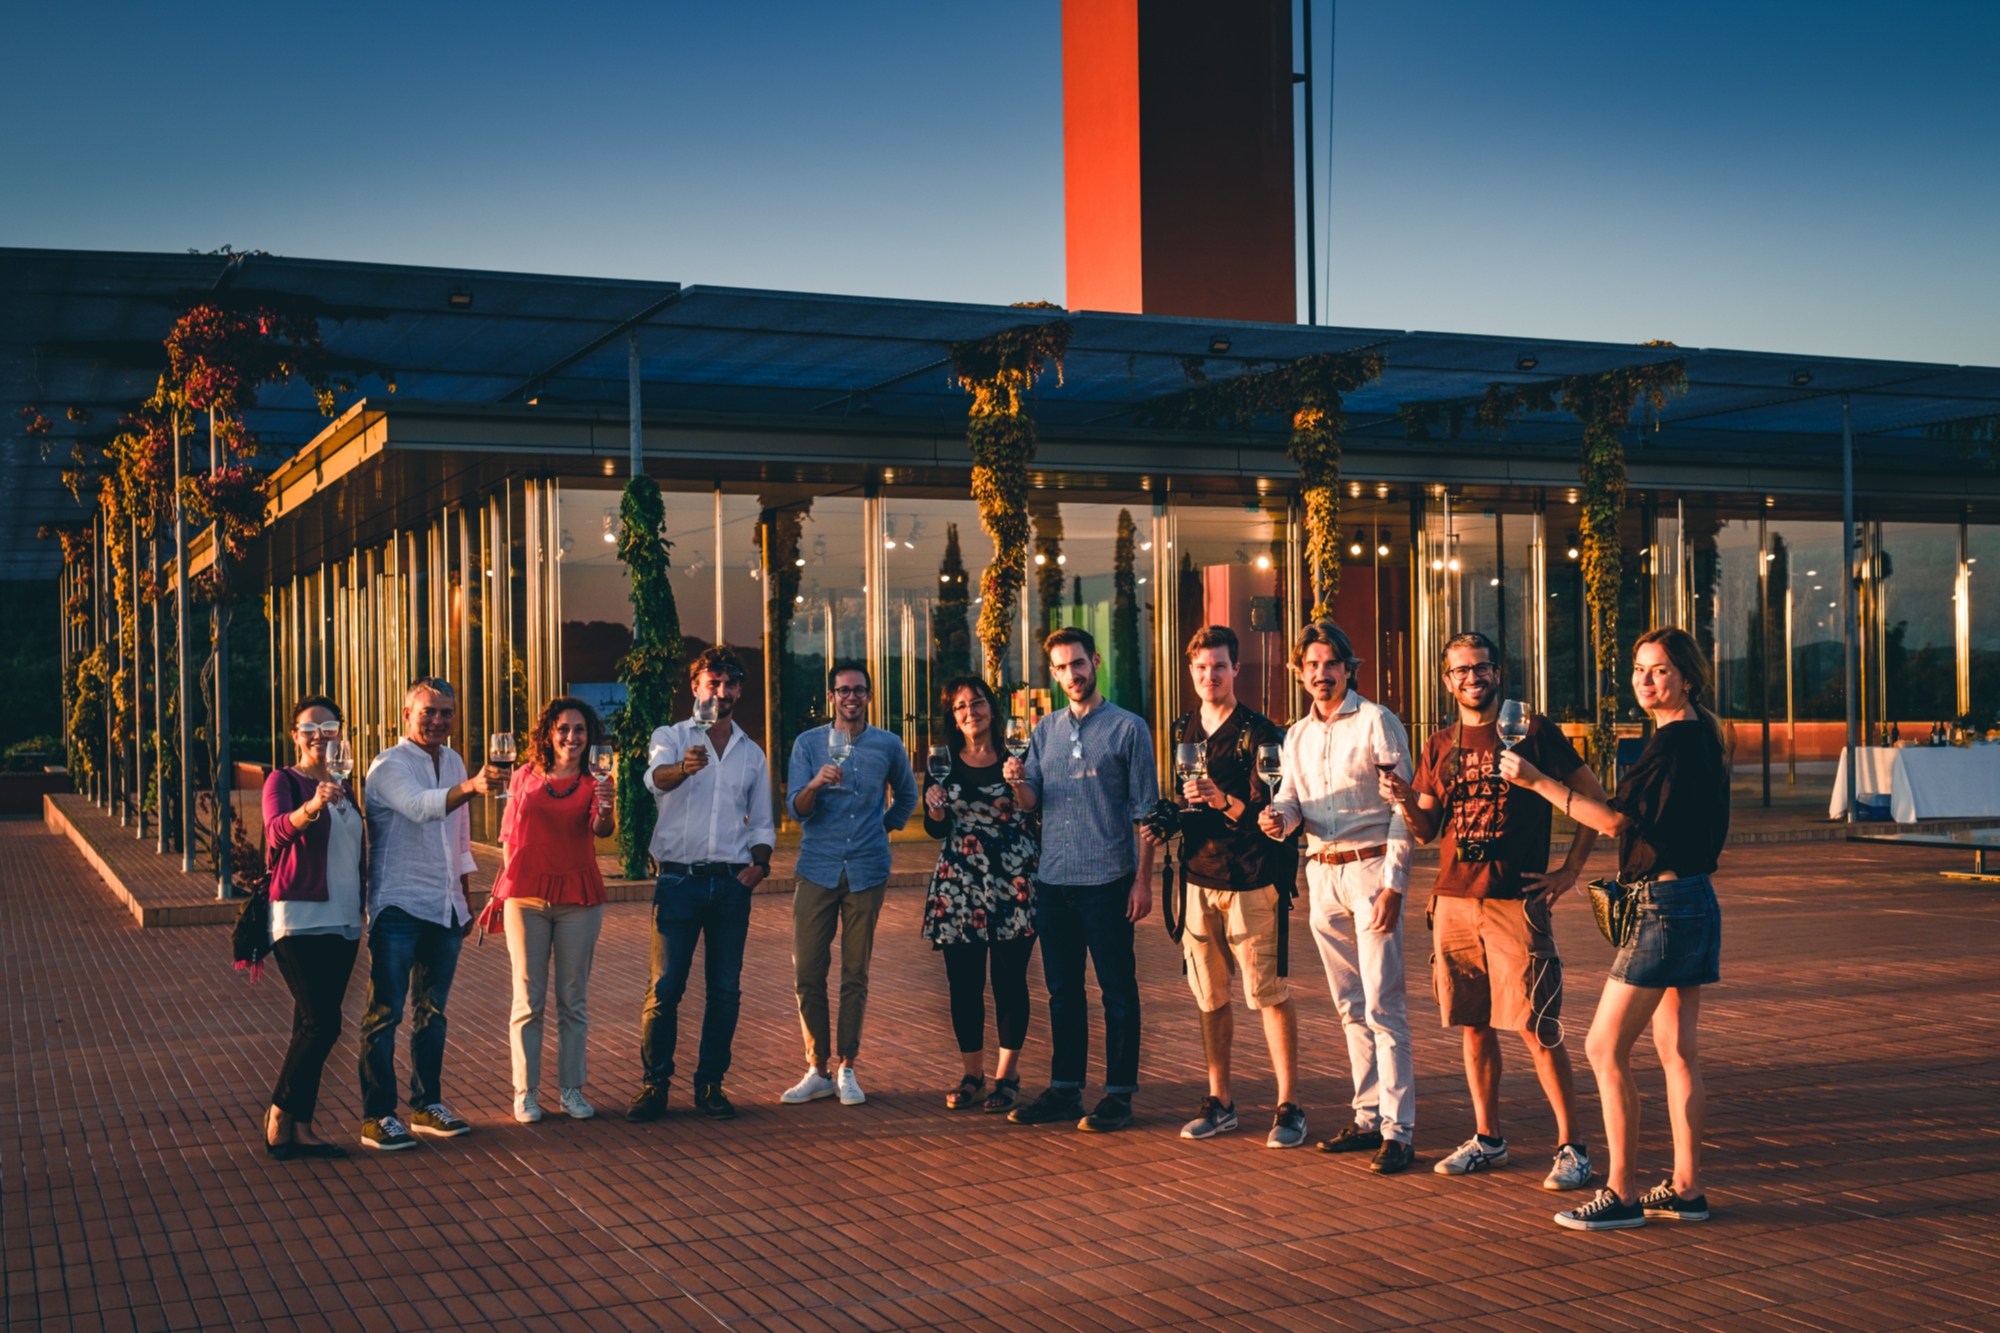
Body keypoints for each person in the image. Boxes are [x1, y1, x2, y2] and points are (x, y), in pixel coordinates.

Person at [1501, 626, 1728, 1231]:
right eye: (1639, 670)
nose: (1647, 681)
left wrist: (1537, 782)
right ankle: (1686, 1188)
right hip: (1695, 900)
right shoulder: (1702, 735)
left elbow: (1612, 822)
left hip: (1665, 906)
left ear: (1686, 676)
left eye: (1659, 670)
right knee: (1676, 1052)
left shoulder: (1675, 743)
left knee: (1603, 1048)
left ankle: (1622, 1195)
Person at [1382, 631, 1604, 1191]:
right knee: (1474, 1025)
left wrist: (1570, 872)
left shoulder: (1534, 731)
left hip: (1514, 904)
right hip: (1455, 902)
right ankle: (1489, 1138)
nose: (1472, 677)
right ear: (1446, 680)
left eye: (1481, 667)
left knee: (1537, 1026)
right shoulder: (1439, 743)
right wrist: (1406, 799)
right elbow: (1429, 831)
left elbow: (1595, 801)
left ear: (1498, 672)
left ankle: (1573, 1148)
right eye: (1461, 670)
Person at [1260, 622, 1418, 1174]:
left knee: (1383, 1005)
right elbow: (1292, 799)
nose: (1321, 674)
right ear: (1300, 674)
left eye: (1331, 664)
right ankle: (1368, 1114)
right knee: (1350, 1005)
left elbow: (1404, 807)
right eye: (1311, 666)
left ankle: (1400, 1131)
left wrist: (1396, 885)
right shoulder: (1297, 735)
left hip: (1372, 868)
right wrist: (1279, 818)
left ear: (1349, 668)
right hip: (1321, 873)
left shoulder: (1377, 721)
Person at [1148, 627, 1304, 1150]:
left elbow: (1272, 814)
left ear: (1236, 670)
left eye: (1218, 667)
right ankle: (1221, 1101)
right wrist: (1170, 818)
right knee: (1209, 996)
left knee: (1268, 996)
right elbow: (1183, 800)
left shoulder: (1262, 734)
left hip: (1252, 878)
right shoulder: (1182, 727)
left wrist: (1223, 801)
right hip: (1197, 878)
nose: (1208, 676)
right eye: (1199, 669)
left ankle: (1289, 1106)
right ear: (1189, 672)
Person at [1007, 627, 1159, 1134]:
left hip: (1109, 880)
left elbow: (1146, 811)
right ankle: (1065, 1088)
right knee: (1062, 991)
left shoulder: (1129, 728)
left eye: (1078, 663)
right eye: (1061, 667)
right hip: (1054, 882)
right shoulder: (1045, 730)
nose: (1071, 674)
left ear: (1094, 662)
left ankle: (1119, 1095)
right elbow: (1032, 803)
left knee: (1117, 990)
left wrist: (1143, 881)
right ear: (1052, 674)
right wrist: (1018, 783)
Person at [630, 648, 776, 1123]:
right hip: (677, 882)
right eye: (713, 682)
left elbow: (762, 825)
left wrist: (759, 865)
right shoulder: (670, 737)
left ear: (739, 691)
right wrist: (682, 769)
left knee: (725, 990)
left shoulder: (752, 753)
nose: (722, 691)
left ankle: (711, 1084)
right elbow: (655, 779)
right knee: (665, 988)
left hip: (730, 886)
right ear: (695, 687)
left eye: (731, 683)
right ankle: (654, 1086)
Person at [357, 677, 495, 1151]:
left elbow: (458, 837)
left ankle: (426, 1105)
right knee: (385, 1013)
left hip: (444, 905)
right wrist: (475, 785)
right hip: (398, 905)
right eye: (428, 712)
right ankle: (377, 1115)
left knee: (432, 1013)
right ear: (406, 715)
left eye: (446, 713)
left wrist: (464, 894)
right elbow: (421, 809)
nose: (438, 721)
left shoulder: (453, 760)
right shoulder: (387, 766)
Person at [782, 661, 918, 1107]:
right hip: (817, 868)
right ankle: (816, 1068)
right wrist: (816, 783)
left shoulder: (888, 744)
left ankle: (847, 1066)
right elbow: (796, 810)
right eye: (843, 691)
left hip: (866, 870)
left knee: (855, 973)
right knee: (808, 973)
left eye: (859, 690)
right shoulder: (808, 744)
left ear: (869, 696)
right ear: (832, 697)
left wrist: (884, 828)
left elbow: (908, 794)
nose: (852, 698)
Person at [481, 696, 615, 1125]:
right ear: (548, 733)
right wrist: (499, 891)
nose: (572, 737)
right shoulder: (522, 776)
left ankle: (572, 1090)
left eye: (579, 730)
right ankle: (526, 1092)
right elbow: (509, 839)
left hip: (578, 897)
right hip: (526, 897)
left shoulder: (597, 781)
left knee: (573, 1000)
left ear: (589, 737)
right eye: (563, 729)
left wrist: (608, 804)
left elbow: (602, 830)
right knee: (528, 999)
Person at [921, 675, 1039, 1114]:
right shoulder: (942, 762)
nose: (971, 712)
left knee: (1010, 982)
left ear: (991, 707)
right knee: (964, 985)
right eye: (961, 707)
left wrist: (1017, 781)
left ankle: (1006, 1077)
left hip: (1013, 881)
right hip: (960, 885)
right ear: (953, 716)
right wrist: (933, 809)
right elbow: (937, 828)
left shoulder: (1017, 755)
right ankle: (972, 1073)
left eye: (978, 702)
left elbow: (1032, 805)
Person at [258, 695, 365, 1161]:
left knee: (310, 1022)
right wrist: (313, 804)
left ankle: (301, 1127)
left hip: (344, 918)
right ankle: (280, 1111)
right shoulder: (283, 780)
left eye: (330, 727)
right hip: (299, 916)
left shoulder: (349, 787)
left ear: (341, 734)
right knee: (323, 1023)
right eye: (310, 729)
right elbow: (276, 830)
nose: (320, 736)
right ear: (295, 736)